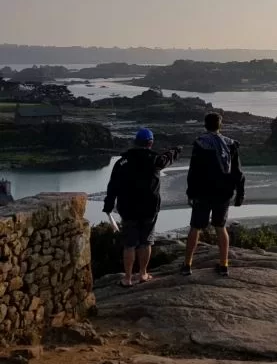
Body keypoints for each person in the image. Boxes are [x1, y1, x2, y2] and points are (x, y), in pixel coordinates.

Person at [103, 128, 181, 287]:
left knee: (129, 244)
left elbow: (113, 187)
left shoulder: (122, 162)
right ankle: (143, 274)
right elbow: (167, 158)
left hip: (128, 209)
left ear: (135, 142)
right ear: (150, 143)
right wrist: (176, 150)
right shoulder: (155, 160)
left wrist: (108, 206)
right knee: (146, 242)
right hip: (149, 208)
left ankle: (127, 278)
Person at [181, 112, 245, 277]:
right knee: (220, 227)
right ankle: (224, 265)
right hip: (224, 193)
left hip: (202, 193)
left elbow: (193, 171)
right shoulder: (230, 144)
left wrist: (190, 193)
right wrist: (240, 194)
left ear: (205, 125)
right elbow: (238, 172)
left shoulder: (200, 143)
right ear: (220, 125)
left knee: (195, 227)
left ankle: (187, 265)